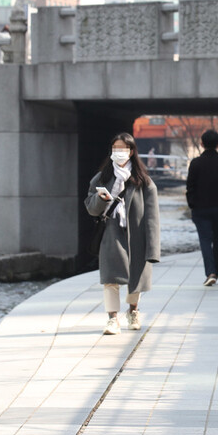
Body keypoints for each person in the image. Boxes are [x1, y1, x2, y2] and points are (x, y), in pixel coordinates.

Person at [85, 133, 160, 335]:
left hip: (137, 235)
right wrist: (101, 199)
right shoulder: (102, 178)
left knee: (136, 277)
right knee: (110, 277)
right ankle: (112, 319)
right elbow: (91, 208)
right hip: (111, 232)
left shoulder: (144, 181)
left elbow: (152, 216)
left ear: (131, 151)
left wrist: (153, 249)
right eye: (115, 148)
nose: (119, 152)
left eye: (123, 148)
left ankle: (133, 312)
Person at [186, 130, 218, 287]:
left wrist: (192, 203)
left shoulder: (195, 163)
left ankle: (210, 272)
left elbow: (190, 186)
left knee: (205, 240)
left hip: (200, 208)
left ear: (201, 144)